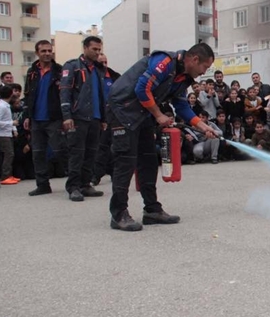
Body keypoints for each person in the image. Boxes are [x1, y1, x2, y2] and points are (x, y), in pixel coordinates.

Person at [107, 43, 218, 231]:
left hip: (142, 113)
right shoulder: (165, 61)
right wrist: (159, 115)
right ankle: (118, 214)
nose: (203, 72)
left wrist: (202, 126)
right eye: (204, 68)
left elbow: (182, 106)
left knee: (149, 161)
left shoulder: (183, 78)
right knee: (126, 162)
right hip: (122, 109)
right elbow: (142, 88)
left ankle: (152, 210)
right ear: (195, 59)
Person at [60, 36, 106, 202]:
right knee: (76, 153)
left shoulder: (98, 69)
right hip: (78, 117)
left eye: (99, 49)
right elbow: (64, 91)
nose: (97, 52)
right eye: (94, 49)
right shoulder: (72, 66)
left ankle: (85, 184)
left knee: (91, 153)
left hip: (95, 117)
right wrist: (67, 116)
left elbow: (101, 95)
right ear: (85, 48)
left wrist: (103, 117)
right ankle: (73, 187)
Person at [23, 40, 67, 196]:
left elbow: (65, 95)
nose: (47, 53)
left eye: (49, 51)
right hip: (36, 119)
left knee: (61, 151)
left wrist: (65, 117)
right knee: (38, 153)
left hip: (54, 118)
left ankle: (75, 183)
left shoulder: (60, 71)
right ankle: (42, 185)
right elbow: (27, 95)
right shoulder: (31, 72)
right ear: (37, 53)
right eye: (43, 51)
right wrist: (27, 116)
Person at [91, 53, 121, 186]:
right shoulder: (92, 76)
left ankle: (100, 175)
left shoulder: (115, 76)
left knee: (108, 146)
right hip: (95, 116)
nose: (104, 65)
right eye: (101, 63)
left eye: (105, 62)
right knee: (99, 147)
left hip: (113, 116)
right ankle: (102, 173)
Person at [0, 85, 19, 184]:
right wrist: (11, 124)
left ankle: (9, 174)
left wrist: (14, 129)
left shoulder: (6, 105)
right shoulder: (2, 106)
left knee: (10, 154)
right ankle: (5, 176)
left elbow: (9, 119)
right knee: (9, 154)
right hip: (2, 134)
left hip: (7, 133)